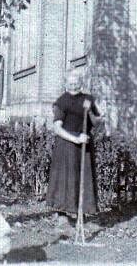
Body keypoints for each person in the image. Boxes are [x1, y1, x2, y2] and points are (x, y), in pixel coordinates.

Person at [46, 68, 102, 225]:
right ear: (66, 83)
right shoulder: (61, 102)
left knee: (83, 176)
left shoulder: (88, 99)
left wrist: (95, 115)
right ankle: (62, 213)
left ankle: (81, 213)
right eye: (70, 83)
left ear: (81, 82)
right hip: (66, 144)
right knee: (65, 177)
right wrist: (75, 139)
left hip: (84, 142)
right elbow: (57, 128)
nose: (73, 85)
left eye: (76, 82)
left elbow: (96, 122)